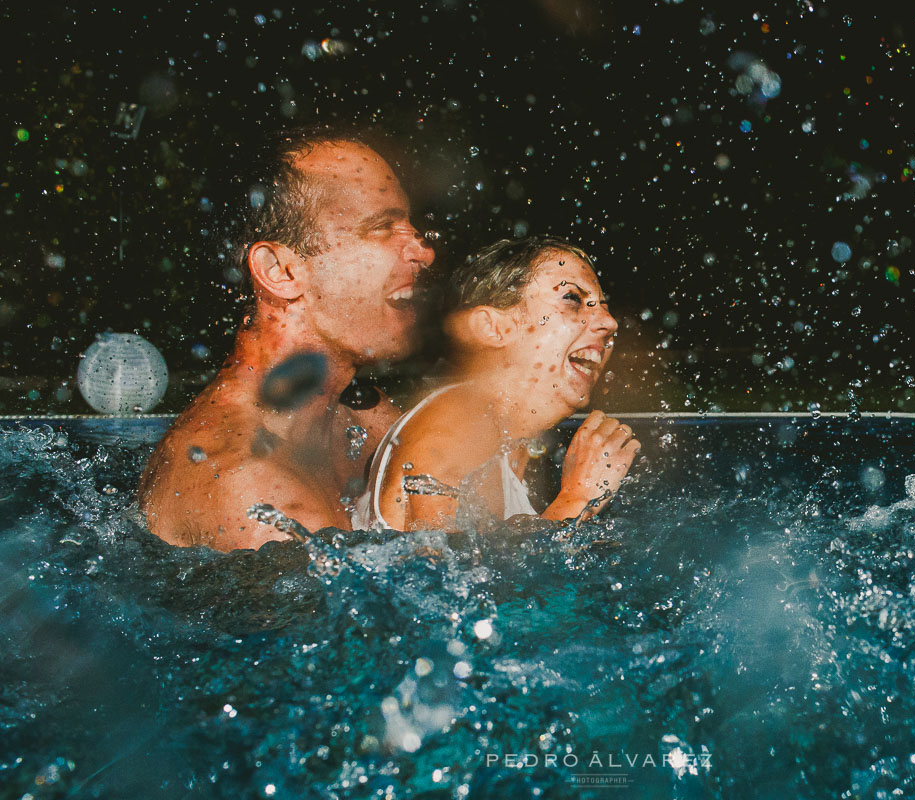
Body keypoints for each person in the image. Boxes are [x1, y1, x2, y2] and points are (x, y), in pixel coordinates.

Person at [139, 126, 435, 551]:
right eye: (383, 227)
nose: (424, 252)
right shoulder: (249, 490)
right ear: (281, 271)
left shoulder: (360, 414)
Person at [352, 236, 639, 533]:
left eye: (603, 306)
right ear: (492, 328)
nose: (609, 322)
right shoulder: (455, 426)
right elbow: (438, 576)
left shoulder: (507, 442)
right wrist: (577, 499)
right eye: (572, 299)